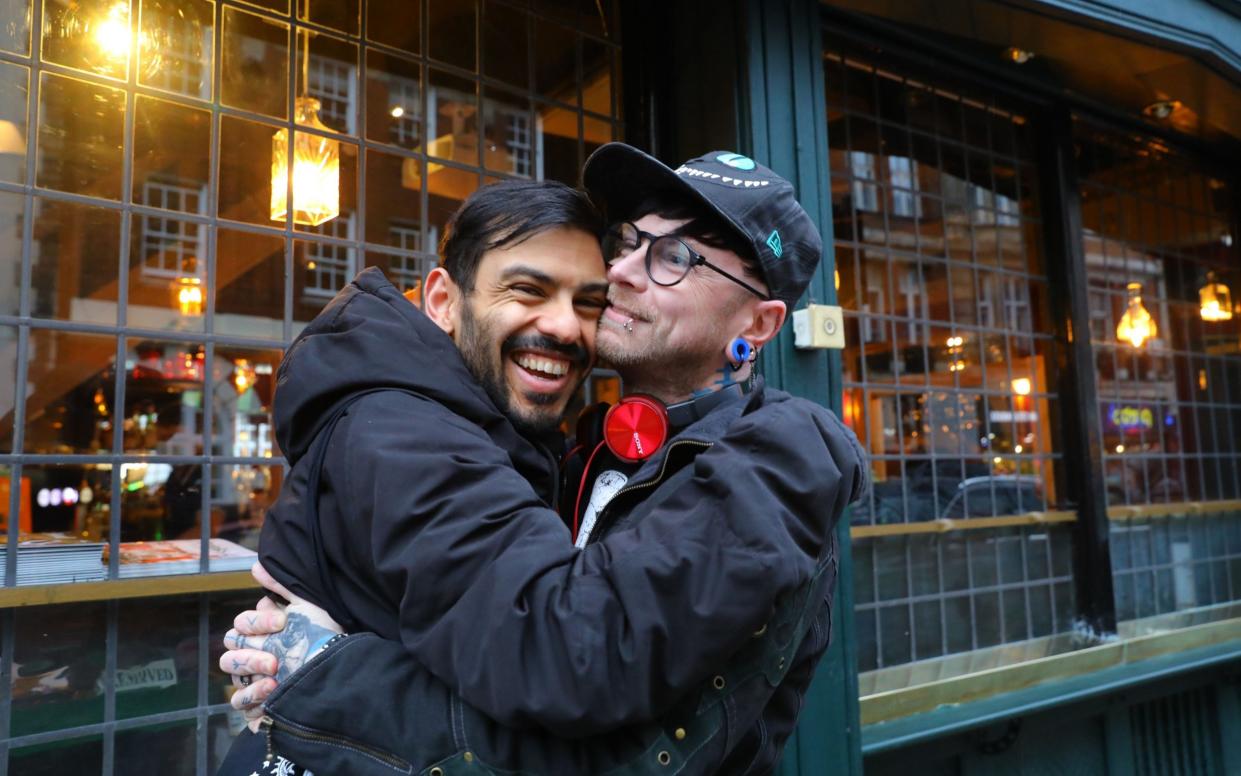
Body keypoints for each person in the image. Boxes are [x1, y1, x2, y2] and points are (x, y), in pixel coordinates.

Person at [219, 145, 865, 775]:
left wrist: (322, 677)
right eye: (629, 240)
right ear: (443, 301)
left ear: (757, 326)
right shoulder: (566, 448)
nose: (621, 273)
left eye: (674, 256)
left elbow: (589, 709)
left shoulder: (766, 465)